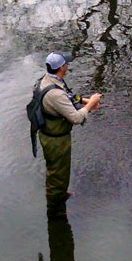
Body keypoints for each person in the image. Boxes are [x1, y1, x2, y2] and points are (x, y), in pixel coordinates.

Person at [39, 52, 102, 219]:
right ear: (61, 68)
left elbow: (69, 96)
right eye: (66, 64)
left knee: (57, 171)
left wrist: (86, 100)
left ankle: (59, 192)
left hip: (50, 135)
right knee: (58, 172)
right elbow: (75, 118)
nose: (68, 66)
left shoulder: (48, 80)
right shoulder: (54, 94)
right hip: (56, 141)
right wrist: (92, 104)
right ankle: (56, 211)